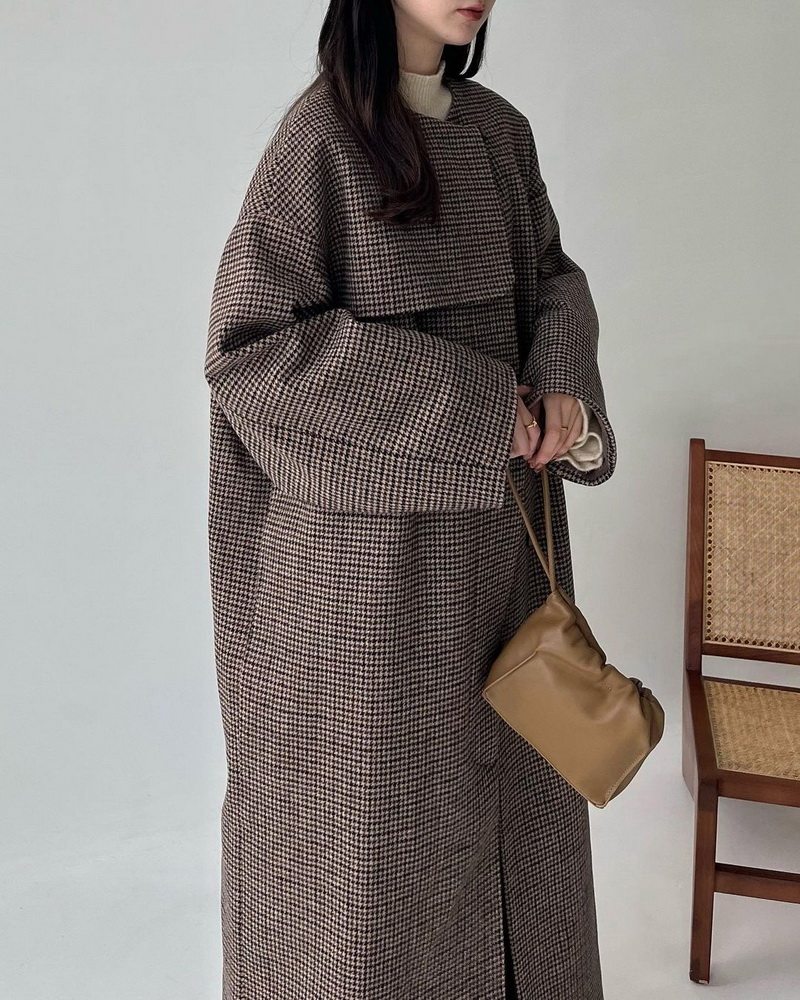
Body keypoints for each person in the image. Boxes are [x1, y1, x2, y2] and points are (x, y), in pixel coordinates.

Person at [203, 1, 617, 997]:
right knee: (374, 871)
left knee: (518, 829)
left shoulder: (499, 133)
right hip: (369, 596)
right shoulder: (321, 141)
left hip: (503, 569)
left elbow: (551, 278)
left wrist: (561, 386)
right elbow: (250, 355)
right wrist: (477, 408)